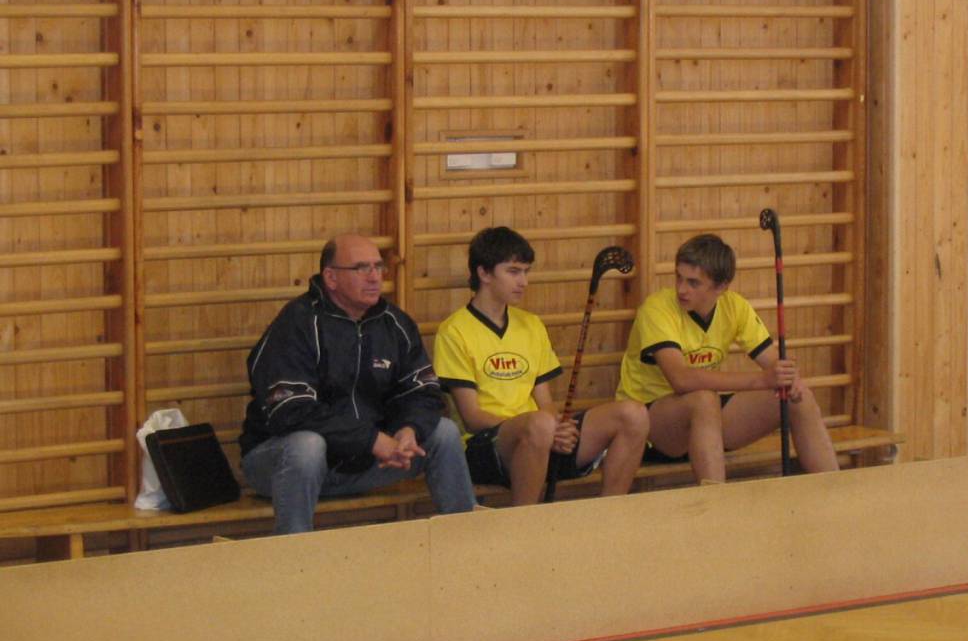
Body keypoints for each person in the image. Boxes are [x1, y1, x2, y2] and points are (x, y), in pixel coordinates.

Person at [240, 234, 477, 534]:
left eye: (378, 267)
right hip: (284, 466)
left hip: (369, 462)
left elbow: (424, 392)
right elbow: (291, 411)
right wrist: (371, 440)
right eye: (361, 268)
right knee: (306, 446)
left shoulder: (395, 323)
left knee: (443, 432)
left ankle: (465, 541)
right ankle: (294, 553)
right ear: (331, 277)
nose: (374, 277)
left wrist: (409, 429)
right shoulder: (297, 323)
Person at [432, 227, 649, 506]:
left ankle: (611, 513)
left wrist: (558, 428)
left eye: (526, 271)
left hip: (542, 435)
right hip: (484, 446)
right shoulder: (454, 331)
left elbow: (545, 403)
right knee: (539, 424)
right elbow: (472, 417)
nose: (523, 281)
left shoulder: (531, 324)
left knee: (633, 414)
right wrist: (543, 427)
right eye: (513, 271)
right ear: (483, 273)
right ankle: (525, 521)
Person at [616, 233, 838, 483]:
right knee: (703, 399)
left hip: (705, 425)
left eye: (693, 283)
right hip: (652, 428)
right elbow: (681, 380)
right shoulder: (657, 308)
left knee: (799, 396)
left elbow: (773, 363)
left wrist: (789, 378)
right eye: (678, 277)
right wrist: (761, 380)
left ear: (721, 287)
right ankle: (717, 501)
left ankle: (834, 491)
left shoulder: (735, 307)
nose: (681, 289)